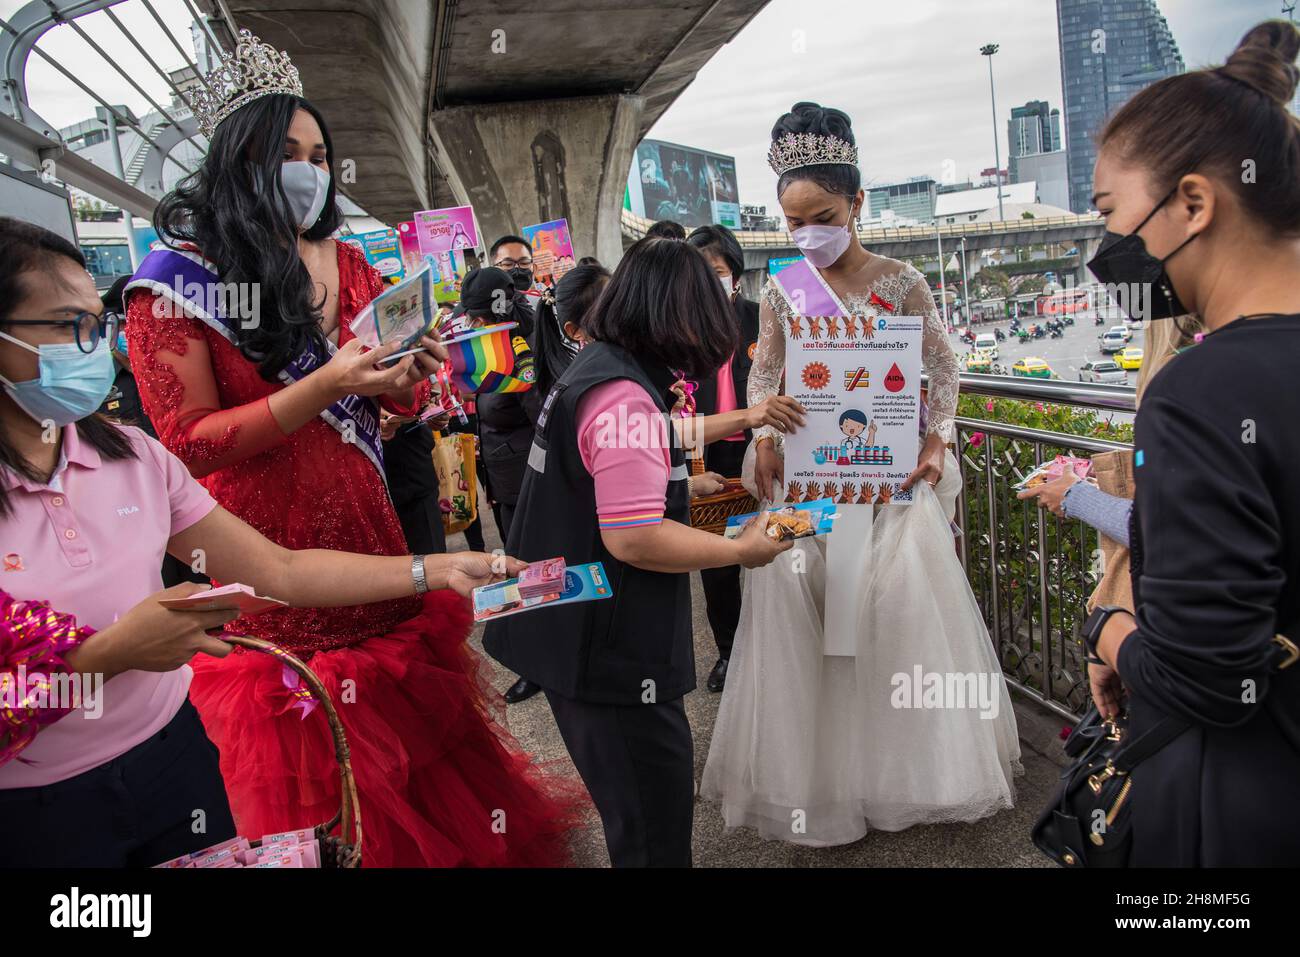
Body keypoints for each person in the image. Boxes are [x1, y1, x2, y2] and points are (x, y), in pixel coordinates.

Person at [120, 32, 580, 866]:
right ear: (238, 159)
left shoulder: (354, 260)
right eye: (286, 152)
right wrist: (326, 385)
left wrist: (405, 378)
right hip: (266, 569)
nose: (310, 168)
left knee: (428, 782)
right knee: (314, 806)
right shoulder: (175, 282)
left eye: (320, 153)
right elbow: (187, 446)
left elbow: (391, 405)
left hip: (372, 538)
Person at [0, 216, 529, 866]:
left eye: (95, 324)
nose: (90, 346)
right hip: (36, 811)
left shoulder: (132, 457)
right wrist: (109, 654)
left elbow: (279, 568)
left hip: (175, 760)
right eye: (64, 325)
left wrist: (436, 569)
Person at [701, 102, 1021, 847]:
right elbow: (765, 372)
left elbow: (943, 366)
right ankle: (827, 780)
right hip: (810, 480)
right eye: (792, 223)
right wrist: (766, 420)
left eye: (823, 215)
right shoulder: (785, 289)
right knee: (813, 622)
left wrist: (937, 442)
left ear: (857, 204)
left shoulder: (903, 280)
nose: (807, 233)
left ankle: (889, 774)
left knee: (889, 625)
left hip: (885, 482)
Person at [483, 238, 792, 866]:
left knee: (634, 815)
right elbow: (634, 537)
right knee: (653, 826)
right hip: (610, 654)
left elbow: (644, 439)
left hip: (564, 626)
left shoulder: (598, 368)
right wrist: (741, 550)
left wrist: (696, 460)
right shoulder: (623, 394)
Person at [1078, 20, 1300, 867]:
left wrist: (1107, 630)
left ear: (1195, 203)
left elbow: (1209, 676)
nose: (1108, 249)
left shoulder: (1199, 394)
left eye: (1109, 213)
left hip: (1239, 806)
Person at [500, 262, 611, 706]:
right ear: (574, 326)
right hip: (558, 492)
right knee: (554, 584)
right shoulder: (586, 376)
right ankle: (541, 667)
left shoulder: (586, 366)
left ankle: (548, 664)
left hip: (555, 493)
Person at [685, 224, 761, 692]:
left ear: (734, 272)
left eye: (718, 272)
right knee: (716, 562)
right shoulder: (681, 330)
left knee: (776, 549)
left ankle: (775, 647)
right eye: (701, 274)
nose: (712, 283)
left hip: (765, 452)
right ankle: (729, 652)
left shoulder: (763, 319)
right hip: (706, 459)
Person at [457, 266, 541, 543]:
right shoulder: (496, 344)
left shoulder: (519, 350)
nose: (470, 326)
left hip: (527, 486)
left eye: (472, 320)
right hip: (507, 482)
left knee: (529, 559)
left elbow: (543, 423)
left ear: (482, 319)